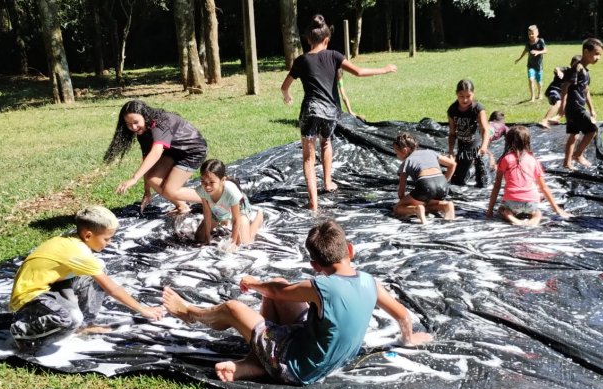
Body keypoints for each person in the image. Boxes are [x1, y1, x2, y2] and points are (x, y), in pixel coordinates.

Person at [161, 220, 433, 384]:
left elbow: (279, 292)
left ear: (315, 265)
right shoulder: (371, 282)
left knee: (233, 307)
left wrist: (252, 283)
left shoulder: (321, 286)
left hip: (296, 369)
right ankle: (254, 361)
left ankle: (190, 313)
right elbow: (402, 316)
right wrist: (408, 339)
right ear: (350, 250)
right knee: (277, 285)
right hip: (334, 358)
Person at [280, 14, 397, 212]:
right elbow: (359, 72)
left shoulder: (301, 60)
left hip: (311, 111)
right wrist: (384, 69)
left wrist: (287, 96)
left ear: (308, 39)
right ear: (326, 40)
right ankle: (327, 183)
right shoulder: (334, 55)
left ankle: (313, 203)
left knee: (308, 158)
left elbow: (284, 86)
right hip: (331, 112)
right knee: (326, 143)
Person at [9, 206, 165, 351]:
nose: (109, 243)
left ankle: (85, 324)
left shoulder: (74, 240)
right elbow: (112, 289)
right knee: (70, 319)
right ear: (88, 235)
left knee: (97, 270)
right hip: (29, 297)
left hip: (52, 284)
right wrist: (143, 310)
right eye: (107, 239)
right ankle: (22, 331)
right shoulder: (78, 252)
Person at [104, 99, 208, 215]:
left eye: (136, 122)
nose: (133, 127)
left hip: (192, 152)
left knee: (171, 190)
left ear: (145, 115)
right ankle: (182, 206)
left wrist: (134, 178)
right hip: (172, 151)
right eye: (128, 124)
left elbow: (156, 152)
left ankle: (215, 199)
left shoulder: (160, 123)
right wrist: (147, 191)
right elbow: (147, 160)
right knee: (152, 178)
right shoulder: (142, 132)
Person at [486, 126, 572, 226]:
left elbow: (497, 185)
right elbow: (544, 187)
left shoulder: (505, 159)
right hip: (531, 201)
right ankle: (534, 219)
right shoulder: (533, 160)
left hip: (512, 201)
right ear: (527, 141)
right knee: (537, 212)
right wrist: (557, 209)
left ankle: (511, 217)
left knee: (502, 209)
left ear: (508, 141)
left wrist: (490, 210)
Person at [188, 159, 264, 246]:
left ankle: (259, 216)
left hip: (239, 210)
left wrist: (233, 242)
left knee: (244, 242)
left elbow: (235, 219)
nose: (207, 186)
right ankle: (224, 219)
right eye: (203, 181)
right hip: (218, 209)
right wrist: (207, 238)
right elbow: (207, 213)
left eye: (212, 182)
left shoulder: (231, 191)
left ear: (222, 180)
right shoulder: (202, 190)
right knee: (199, 237)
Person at [559, 38, 603, 170]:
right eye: (596, 54)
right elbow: (565, 86)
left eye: (600, 55)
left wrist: (592, 109)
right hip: (574, 107)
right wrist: (562, 105)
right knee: (592, 129)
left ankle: (567, 163)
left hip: (577, 106)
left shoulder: (585, 71)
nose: (598, 58)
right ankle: (578, 155)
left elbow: (586, 91)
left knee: (574, 134)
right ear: (586, 51)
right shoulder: (577, 68)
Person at [393, 132, 457, 224]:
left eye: (396, 151)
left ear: (404, 150)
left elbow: (401, 192)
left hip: (425, 185)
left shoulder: (406, 162)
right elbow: (452, 164)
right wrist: (445, 181)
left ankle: (417, 209)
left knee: (397, 209)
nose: (396, 155)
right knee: (427, 204)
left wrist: (405, 203)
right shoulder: (429, 152)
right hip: (442, 184)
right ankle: (446, 206)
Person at [447, 79, 493, 188]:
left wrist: (484, 146)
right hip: (463, 148)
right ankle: (470, 169)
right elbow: (452, 133)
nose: (465, 99)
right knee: (457, 182)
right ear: (456, 94)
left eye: (468, 96)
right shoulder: (452, 110)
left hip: (478, 147)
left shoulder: (478, 108)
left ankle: (488, 166)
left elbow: (485, 129)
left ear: (473, 93)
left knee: (483, 182)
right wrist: (451, 151)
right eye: (461, 96)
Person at [539, 55, 582, 129]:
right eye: (576, 64)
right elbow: (556, 68)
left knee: (569, 105)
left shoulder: (577, 75)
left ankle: (556, 119)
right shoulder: (566, 69)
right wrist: (559, 71)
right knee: (558, 103)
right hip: (554, 90)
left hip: (562, 94)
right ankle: (544, 120)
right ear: (571, 64)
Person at [514, 25, 547, 102]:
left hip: (539, 66)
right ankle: (532, 96)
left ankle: (540, 93)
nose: (531, 35)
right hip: (530, 65)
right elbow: (525, 51)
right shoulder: (528, 44)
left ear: (537, 33)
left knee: (539, 82)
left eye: (532, 33)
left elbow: (545, 50)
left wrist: (538, 52)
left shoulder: (541, 41)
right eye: (529, 34)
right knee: (531, 79)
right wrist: (519, 59)